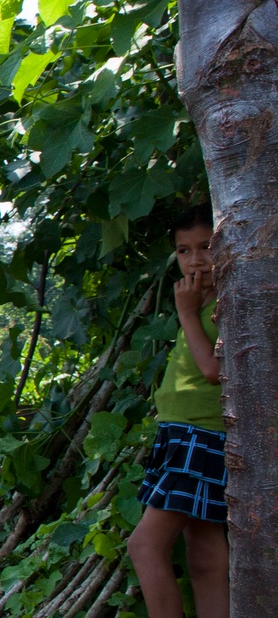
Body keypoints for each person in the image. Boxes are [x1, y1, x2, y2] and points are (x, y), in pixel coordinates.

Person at [128, 203, 229, 618]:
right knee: (204, 553)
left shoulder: (229, 301)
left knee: (144, 546)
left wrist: (188, 312)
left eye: (206, 247)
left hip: (200, 436)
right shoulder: (202, 297)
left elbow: (212, 370)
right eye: (184, 251)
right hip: (182, 434)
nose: (196, 260)